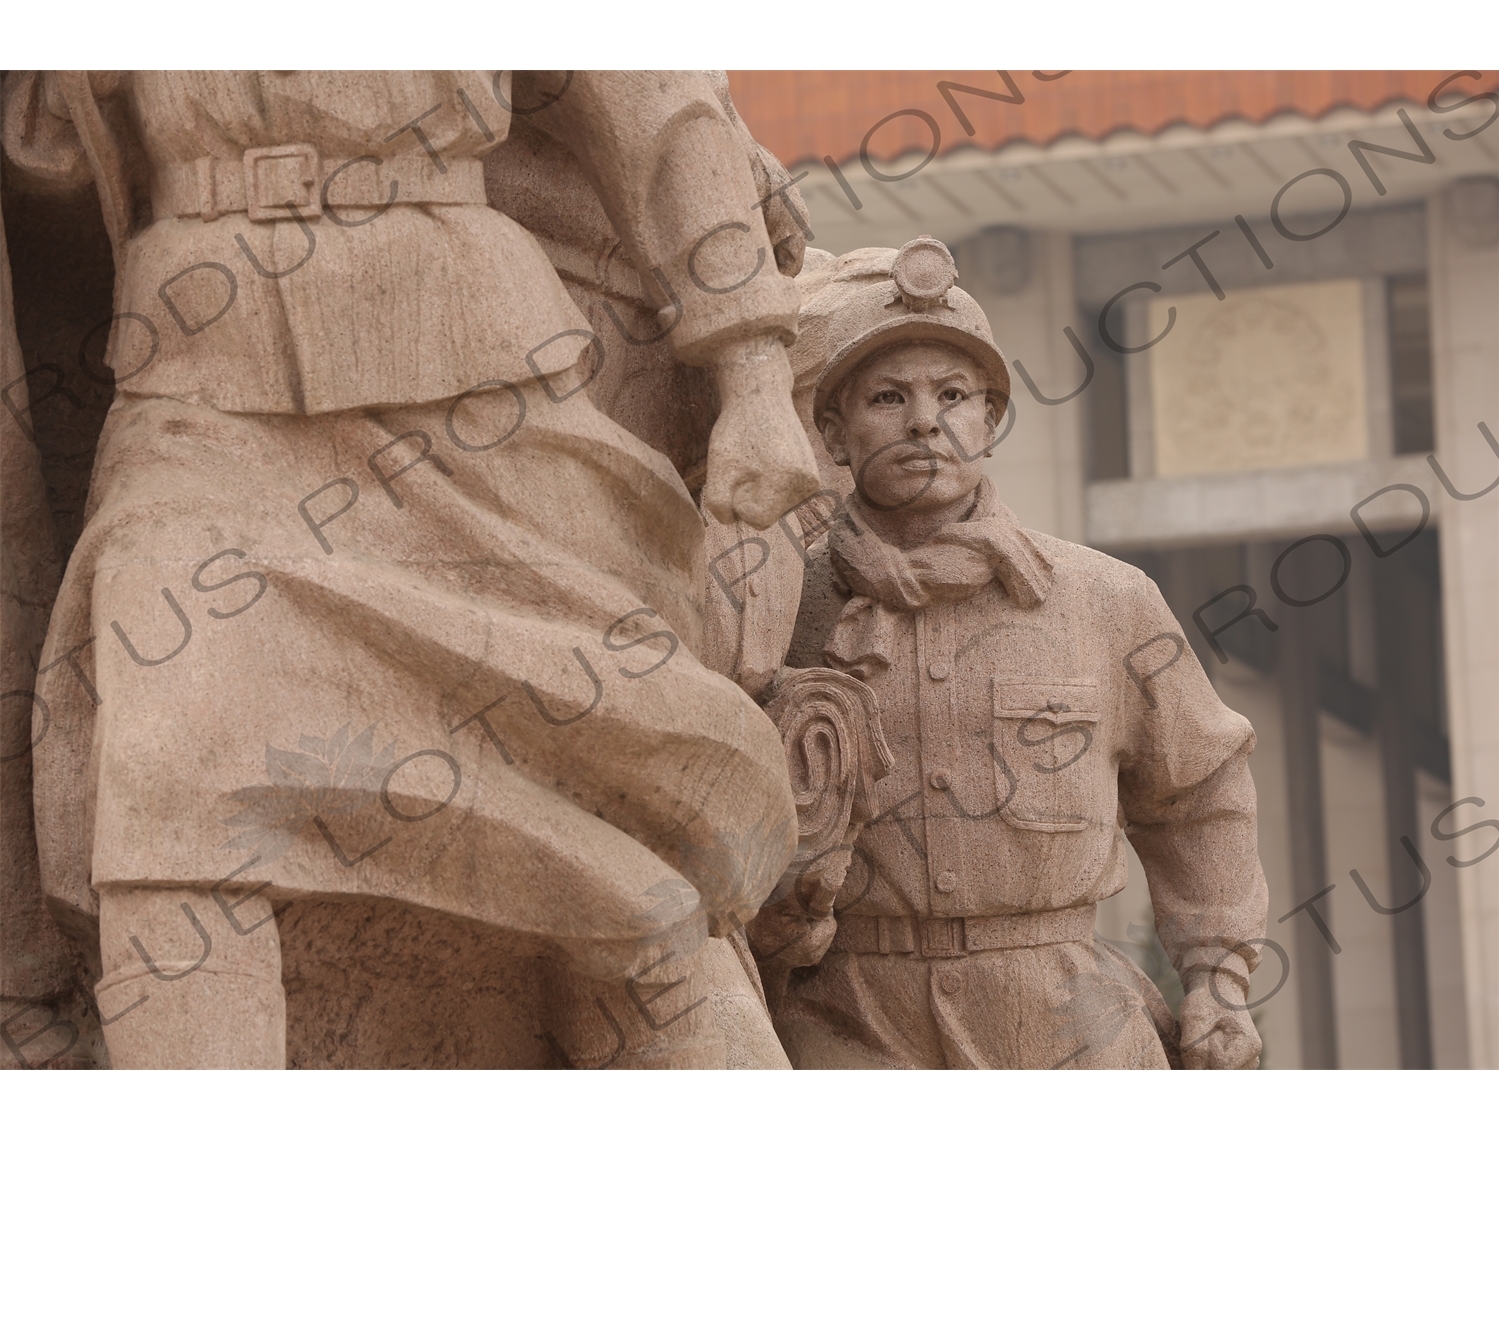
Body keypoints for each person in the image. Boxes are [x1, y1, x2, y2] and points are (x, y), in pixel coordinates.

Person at [1, 70, 819, 1068]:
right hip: (198, 388)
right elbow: (52, 162)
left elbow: (656, 105)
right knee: (170, 773)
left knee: (611, 804)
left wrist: (755, 370)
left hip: (478, 394)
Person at [749, 238, 1269, 1069]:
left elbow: (1199, 791)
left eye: (953, 395)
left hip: (1067, 1021)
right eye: (888, 396)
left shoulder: (1107, 600)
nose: (925, 420)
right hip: (843, 1020)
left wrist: (1217, 976)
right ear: (835, 435)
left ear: (988, 423)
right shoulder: (777, 607)